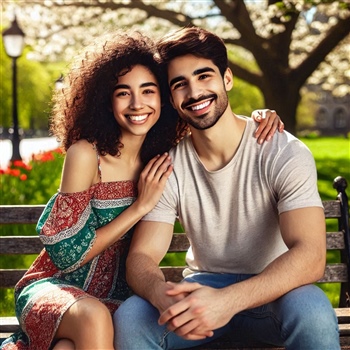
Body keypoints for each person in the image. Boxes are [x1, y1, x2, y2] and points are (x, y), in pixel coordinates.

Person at [1, 30, 282, 350]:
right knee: (94, 319)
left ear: (163, 98)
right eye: (123, 93)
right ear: (106, 99)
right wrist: (139, 206)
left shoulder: (163, 155)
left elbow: (218, 121)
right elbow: (67, 256)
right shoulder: (87, 154)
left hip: (119, 297)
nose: (137, 104)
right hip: (58, 288)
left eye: (148, 91)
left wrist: (262, 116)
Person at [113, 27, 340, 350]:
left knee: (313, 311)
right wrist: (158, 293)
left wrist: (228, 301)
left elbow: (311, 255)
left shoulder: (283, 151)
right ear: (171, 98)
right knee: (132, 317)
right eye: (180, 85)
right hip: (203, 289)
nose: (194, 92)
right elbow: (141, 257)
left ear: (227, 79)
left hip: (276, 291)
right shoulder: (169, 166)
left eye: (204, 76)